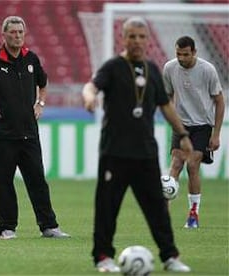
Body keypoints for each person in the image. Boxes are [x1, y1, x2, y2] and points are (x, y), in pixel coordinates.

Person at [82, 17, 193, 273]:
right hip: (115, 152)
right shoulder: (113, 67)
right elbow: (91, 86)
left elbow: (166, 106)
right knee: (107, 208)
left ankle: (170, 256)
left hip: (145, 153)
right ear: (124, 38)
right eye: (132, 36)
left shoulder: (153, 69)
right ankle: (103, 257)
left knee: (157, 208)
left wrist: (183, 134)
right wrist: (89, 99)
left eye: (142, 37)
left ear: (148, 40)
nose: (137, 41)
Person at [0, 16, 70, 240]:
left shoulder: (31, 58)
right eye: (13, 32)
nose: (17, 36)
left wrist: (40, 103)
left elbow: (43, 83)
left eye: (21, 32)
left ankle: (49, 226)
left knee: (37, 180)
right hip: (2, 134)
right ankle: (6, 228)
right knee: (3, 183)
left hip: (29, 132)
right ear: (4, 35)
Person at [163, 36, 225, 229]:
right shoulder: (170, 68)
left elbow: (219, 101)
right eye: (178, 54)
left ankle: (193, 214)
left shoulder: (207, 70)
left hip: (202, 125)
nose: (181, 58)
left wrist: (216, 134)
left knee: (192, 165)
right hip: (181, 125)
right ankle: (163, 215)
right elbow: (167, 95)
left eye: (186, 54)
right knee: (175, 164)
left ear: (194, 52)